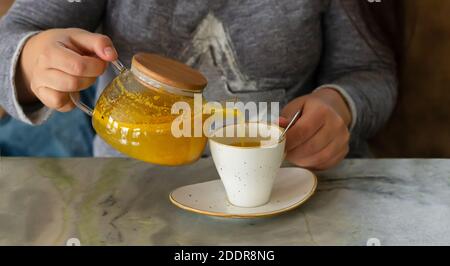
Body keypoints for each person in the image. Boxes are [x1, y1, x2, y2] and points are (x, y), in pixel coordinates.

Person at [0, 0, 397, 170]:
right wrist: (31, 59)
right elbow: (11, 38)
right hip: (136, 192)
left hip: (289, 184)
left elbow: (369, 70)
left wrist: (339, 105)